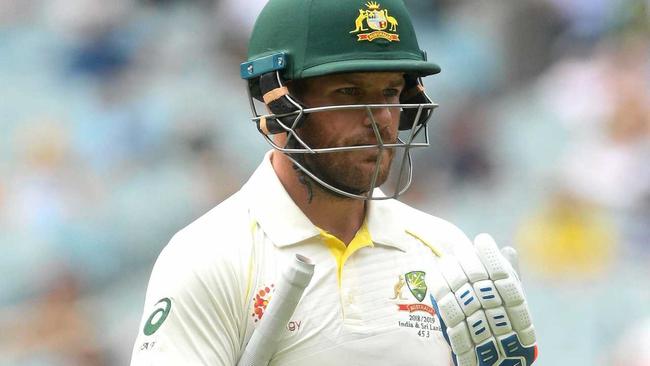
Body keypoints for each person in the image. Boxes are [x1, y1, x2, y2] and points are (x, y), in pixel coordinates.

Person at [131, 0, 538, 365]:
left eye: (391, 92)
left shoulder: (443, 250)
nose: (380, 118)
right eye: (348, 91)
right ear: (279, 104)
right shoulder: (210, 258)